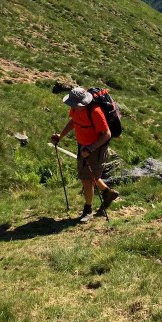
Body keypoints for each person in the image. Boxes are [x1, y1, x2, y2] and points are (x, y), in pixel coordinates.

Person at [51, 87, 119, 222]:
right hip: (83, 146)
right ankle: (108, 193)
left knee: (87, 180)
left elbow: (107, 134)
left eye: (75, 105)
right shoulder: (76, 109)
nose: (73, 107)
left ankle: (88, 210)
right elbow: (73, 122)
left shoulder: (95, 112)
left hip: (95, 148)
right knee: (88, 174)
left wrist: (91, 148)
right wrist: (60, 136)